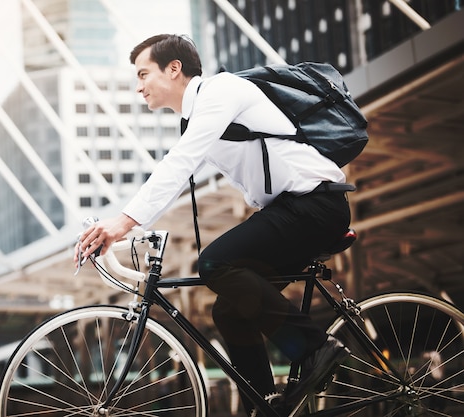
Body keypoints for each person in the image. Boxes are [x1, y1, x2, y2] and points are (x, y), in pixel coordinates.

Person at [75, 34, 351, 416]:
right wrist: (133, 231)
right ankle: (266, 404)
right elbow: (176, 180)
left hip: (315, 204)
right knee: (228, 311)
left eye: (143, 74)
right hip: (293, 210)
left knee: (214, 263)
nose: (138, 86)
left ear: (174, 69)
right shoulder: (195, 116)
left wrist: (123, 222)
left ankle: (315, 347)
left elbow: (180, 162)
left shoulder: (221, 91)